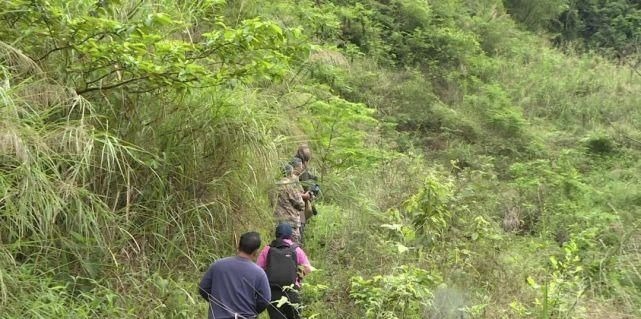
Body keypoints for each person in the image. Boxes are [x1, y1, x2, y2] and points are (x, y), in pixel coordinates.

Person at [199, 232, 271, 319]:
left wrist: (217, 304)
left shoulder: (217, 265)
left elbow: (203, 288)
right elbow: (265, 300)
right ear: (255, 252)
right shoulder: (259, 273)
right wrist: (252, 311)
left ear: (238, 246)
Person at [257, 223, 312, 319]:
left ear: (276, 234)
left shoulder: (267, 249)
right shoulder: (296, 249)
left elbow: (258, 270)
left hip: (273, 292)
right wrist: (298, 277)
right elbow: (308, 268)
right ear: (290, 235)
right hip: (292, 291)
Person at [273, 160, 310, 243]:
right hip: (290, 222)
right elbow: (300, 204)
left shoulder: (274, 186)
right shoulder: (289, 185)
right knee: (293, 247)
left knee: (278, 245)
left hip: (276, 221)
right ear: (291, 172)